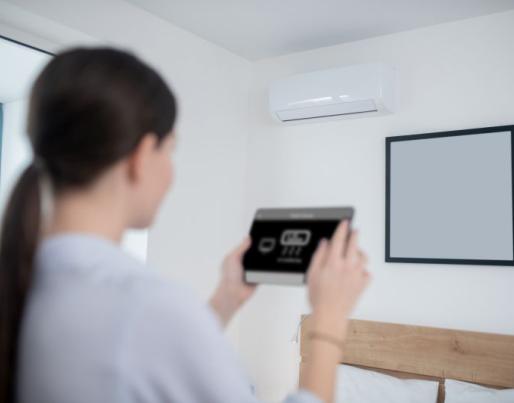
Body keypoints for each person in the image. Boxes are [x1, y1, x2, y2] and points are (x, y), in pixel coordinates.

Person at [0, 47, 370, 403]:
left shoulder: (25, 280)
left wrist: (225, 299)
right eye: (171, 149)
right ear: (142, 156)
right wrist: (328, 320)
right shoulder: (145, 304)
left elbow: (143, 358)